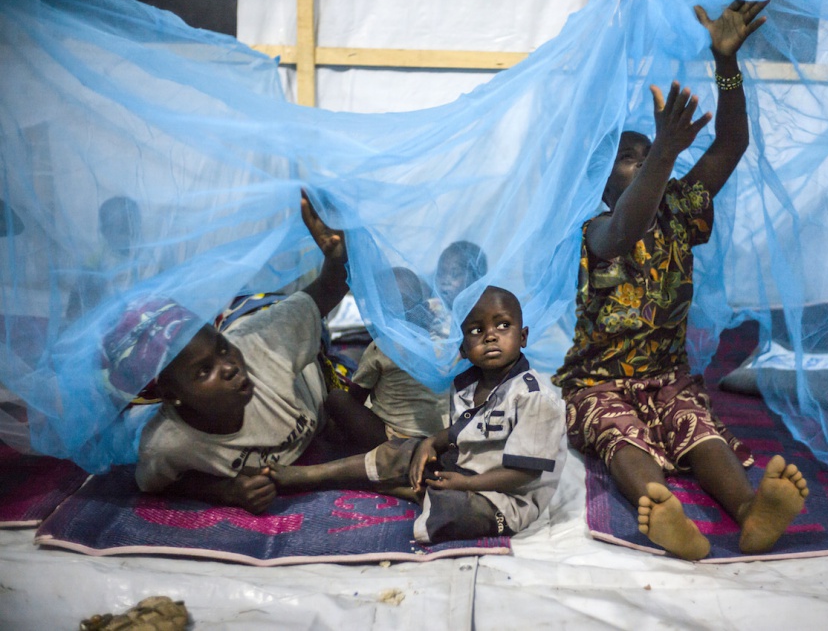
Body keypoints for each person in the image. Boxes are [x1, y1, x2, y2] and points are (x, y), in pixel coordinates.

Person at [552, 0, 808, 560]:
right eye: (629, 159)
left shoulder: (680, 207)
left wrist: (726, 63)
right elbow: (625, 229)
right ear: (601, 181)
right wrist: (664, 152)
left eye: (648, 151)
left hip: (666, 374)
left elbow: (731, 143)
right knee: (620, 436)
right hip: (598, 380)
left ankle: (749, 510)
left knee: (697, 426)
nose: (643, 163)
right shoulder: (597, 230)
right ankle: (661, 507)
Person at [109, 190, 349, 514]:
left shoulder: (262, 347)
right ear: (171, 395)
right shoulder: (167, 444)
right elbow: (157, 481)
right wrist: (227, 491)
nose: (230, 367)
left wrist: (337, 256)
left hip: (265, 323)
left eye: (222, 350)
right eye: (203, 372)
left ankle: (229, 325)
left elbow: (329, 288)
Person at [271, 286, 566, 544]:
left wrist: (464, 484)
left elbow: (524, 473)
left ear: (523, 336)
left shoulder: (533, 397)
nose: (490, 336)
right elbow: (467, 432)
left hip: (507, 497)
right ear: (463, 346)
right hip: (465, 467)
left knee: (459, 511)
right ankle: (311, 475)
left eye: (503, 326)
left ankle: (404, 488)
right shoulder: (469, 383)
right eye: (477, 330)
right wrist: (431, 443)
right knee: (402, 450)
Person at [325, 266, 449, 450]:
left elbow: (356, 396)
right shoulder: (442, 343)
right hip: (439, 438)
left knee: (337, 398)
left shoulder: (382, 347)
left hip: (396, 441)